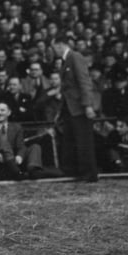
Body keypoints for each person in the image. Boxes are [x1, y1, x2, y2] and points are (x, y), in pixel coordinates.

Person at [51, 37, 99, 182]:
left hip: (79, 107)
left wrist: (88, 105)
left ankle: (89, 173)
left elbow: (84, 81)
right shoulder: (67, 60)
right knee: (73, 140)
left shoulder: (75, 57)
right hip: (70, 107)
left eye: (54, 47)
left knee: (83, 141)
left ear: (60, 45)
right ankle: (79, 171)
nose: (53, 50)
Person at [0, 101, 44, 180]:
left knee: (35, 147)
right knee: (5, 145)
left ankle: (33, 171)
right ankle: (17, 173)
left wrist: (19, 156)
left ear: (9, 113)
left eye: (2, 110)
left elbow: (21, 146)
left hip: (14, 160)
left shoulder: (16, 127)